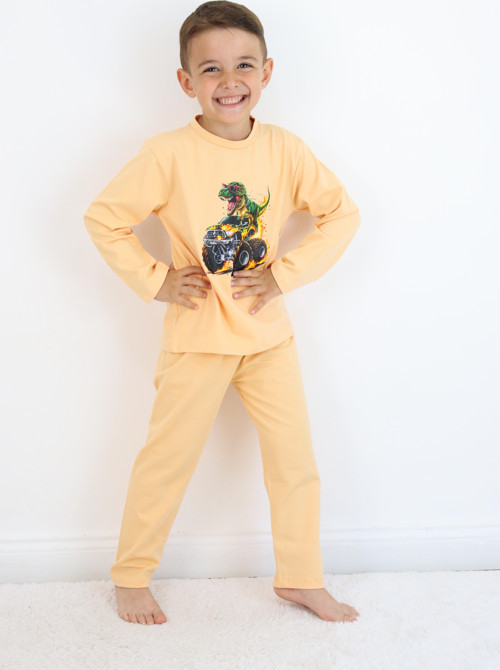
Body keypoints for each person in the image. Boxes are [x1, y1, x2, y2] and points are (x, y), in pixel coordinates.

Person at [83, 0, 361, 625]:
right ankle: (131, 575)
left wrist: (282, 275)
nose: (229, 81)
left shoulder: (285, 149)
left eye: (243, 65)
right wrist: (157, 280)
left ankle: (301, 578)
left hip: (268, 337)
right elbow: (104, 218)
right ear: (187, 81)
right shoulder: (167, 153)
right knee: (167, 460)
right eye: (210, 69)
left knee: (295, 462)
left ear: (267, 71)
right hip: (198, 337)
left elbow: (342, 215)